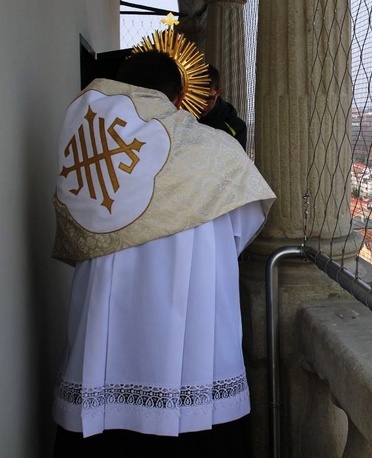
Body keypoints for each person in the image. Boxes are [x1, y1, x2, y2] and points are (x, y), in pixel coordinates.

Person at [51, 36, 275, 456]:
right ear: (179, 98)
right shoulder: (217, 151)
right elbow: (240, 230)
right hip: (194, 337)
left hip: (105, 342)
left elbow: (79, 233)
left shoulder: (83, 148)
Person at [199, 64, 248, 151]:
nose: (201, 104)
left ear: (218, 92)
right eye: (196, 96)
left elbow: (238, 163)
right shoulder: (183, 118)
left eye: (208, 98)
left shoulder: (236, 127)